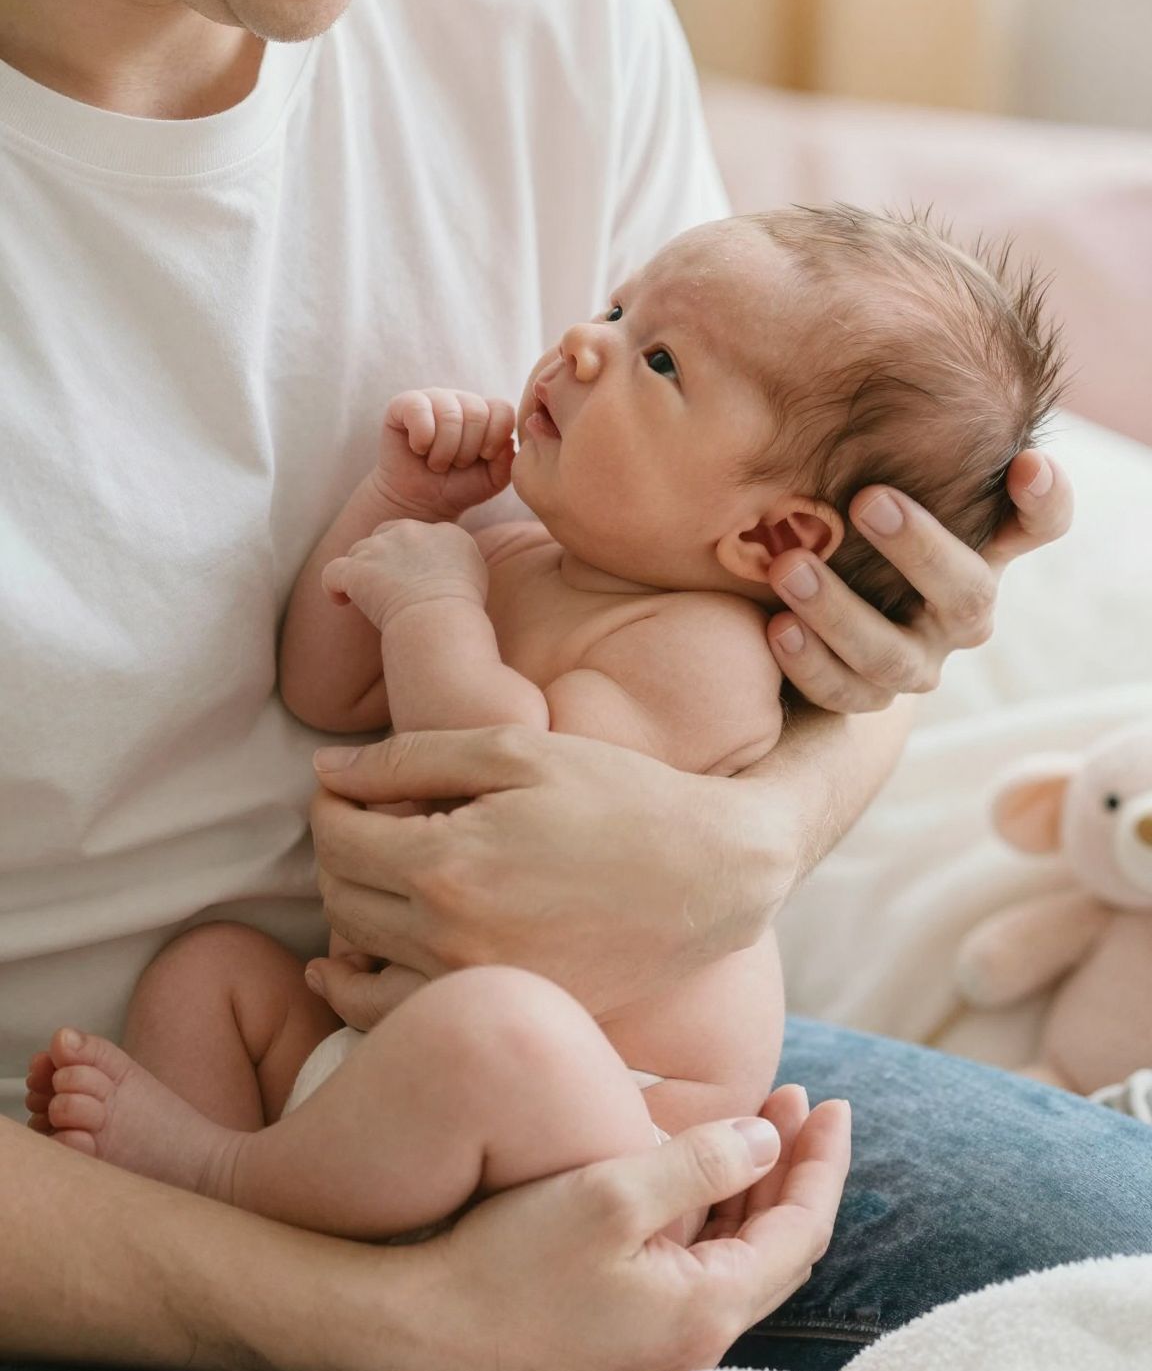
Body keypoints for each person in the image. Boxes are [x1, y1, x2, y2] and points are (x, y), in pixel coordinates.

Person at [0, 0, 1148, 1371]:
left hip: (590, 1098)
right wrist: (365, 1315)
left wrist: (770, 816)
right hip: (77, 1185)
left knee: (1112, 1293)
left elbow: (764, 623)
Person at [24, 204, 1064, 1245]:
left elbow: (509, 791)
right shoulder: (522, 558)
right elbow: (322, 691)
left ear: (773, 535)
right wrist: (398, 506)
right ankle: (214, 1238)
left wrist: (431, 606)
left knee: (496, 1031)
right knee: (206, 974)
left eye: (658, 361)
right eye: (614, 310)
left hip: (604, 1117)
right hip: (386, 1056)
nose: (581, 341)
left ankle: (227, 1177)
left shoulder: (707, 655)